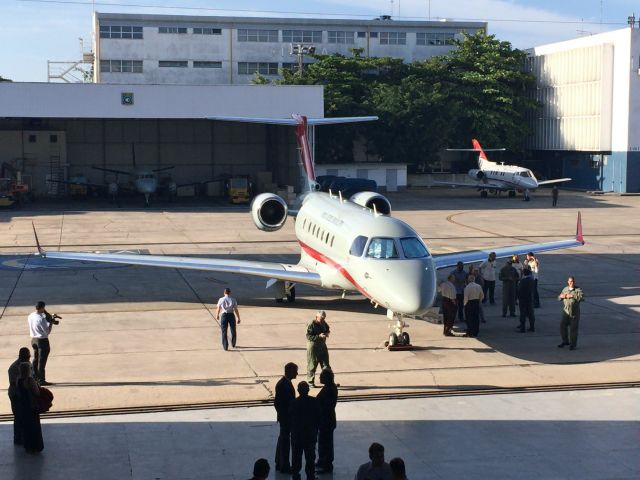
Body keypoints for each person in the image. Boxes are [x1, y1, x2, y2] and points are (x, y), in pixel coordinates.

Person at [290, 381, 320, 480]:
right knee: (310, 457)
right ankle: (310, 476)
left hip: (297, 435)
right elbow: (317, 418)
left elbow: (291, 419)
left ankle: (296, 475)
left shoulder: (294, 403)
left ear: (298, 390)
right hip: (310, 435)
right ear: (308, 390)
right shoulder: (314, 401)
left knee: (296, 457)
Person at [274, 362, 298, 474]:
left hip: (285, 417)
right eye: (295, 371)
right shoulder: (284, 385)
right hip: (286, 418)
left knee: (283, 439)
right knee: (285, 441)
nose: (297, 373)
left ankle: (280, 462)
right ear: (290, 371)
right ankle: (284, 465)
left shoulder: (283, 383)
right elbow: (279, 403)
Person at [15, 361, 44, 453]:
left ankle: (28, 446)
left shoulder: (18, 380)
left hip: (23, 406)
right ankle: (35, 446)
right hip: (31, 406)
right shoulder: (30, 380)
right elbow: (37, 392)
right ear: (28, 370)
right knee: (34, 427)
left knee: (26, 427)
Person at [316, 368, 338, 474]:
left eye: (321, 376)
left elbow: (326, 406)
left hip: (327, 420)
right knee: (323, 442)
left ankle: (327, 465)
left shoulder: (329, 389)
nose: (319, 378)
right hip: (326, 419)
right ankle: (322, 461)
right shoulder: (328, 387)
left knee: (326, 443)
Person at [8, 347, 31, 445]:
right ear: (21, 356)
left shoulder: (27, 364)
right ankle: (18, 438)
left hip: (23, 394)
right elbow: (15, 384)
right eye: (27, 356)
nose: (29, 358)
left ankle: (23, 437)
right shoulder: (14, 367)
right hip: (16, 395)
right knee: (18, 417)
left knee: (23, 416)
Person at [28, 301, 54, 385]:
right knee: (41, 361)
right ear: (42, 307)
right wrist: (51, 323)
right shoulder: (41, 319)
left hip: (33, 340)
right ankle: (41, 380)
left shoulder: (30, 315)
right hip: (42, 341)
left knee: (35, 359)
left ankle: (34, 377)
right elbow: (47, 332)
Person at [558, 276, 584, 350]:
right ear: (567, 282)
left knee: (573, 329)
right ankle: (565, 341)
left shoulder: (578, 289)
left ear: (574, 282)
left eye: (572, 281)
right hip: (566, 311)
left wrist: (573, 295)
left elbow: (582, 297)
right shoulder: (565, 289)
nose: (570, 283)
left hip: (574, 313)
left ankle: (573, 344)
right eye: (569, 281)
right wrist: (562, 296)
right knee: (562, 326)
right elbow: (559, 297)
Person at [306, 310, 331, 387]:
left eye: (324, 318)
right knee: (312, 364)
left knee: (326, 364)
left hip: (322, 346)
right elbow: (308, 336)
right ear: (316, 317)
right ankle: (310, 382)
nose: (323, 320)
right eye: (321, 318)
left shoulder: (323, 323)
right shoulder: (311, 324)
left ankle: (328, 381)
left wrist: (327, 333)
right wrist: (319, 336)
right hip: (313, 347)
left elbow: (327, 329)